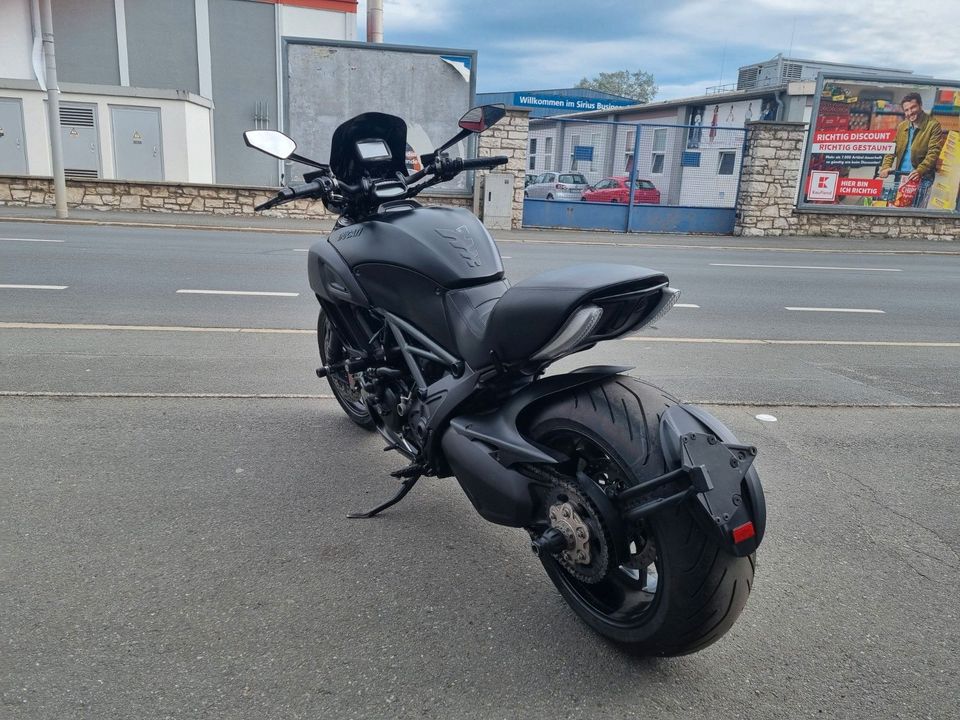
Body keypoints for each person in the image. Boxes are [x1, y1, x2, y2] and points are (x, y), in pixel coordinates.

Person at [878, 92, 944, 208]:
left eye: (913, 107)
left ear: (920, 105)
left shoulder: (933, 125)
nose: (910, 112)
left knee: (915, 213)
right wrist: (886, 166)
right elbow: (892, 148)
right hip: (900, 177)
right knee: (896, 210)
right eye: (906, 110)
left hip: (921, 179)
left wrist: (920, 170)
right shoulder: (902, 126)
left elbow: (933, 152)